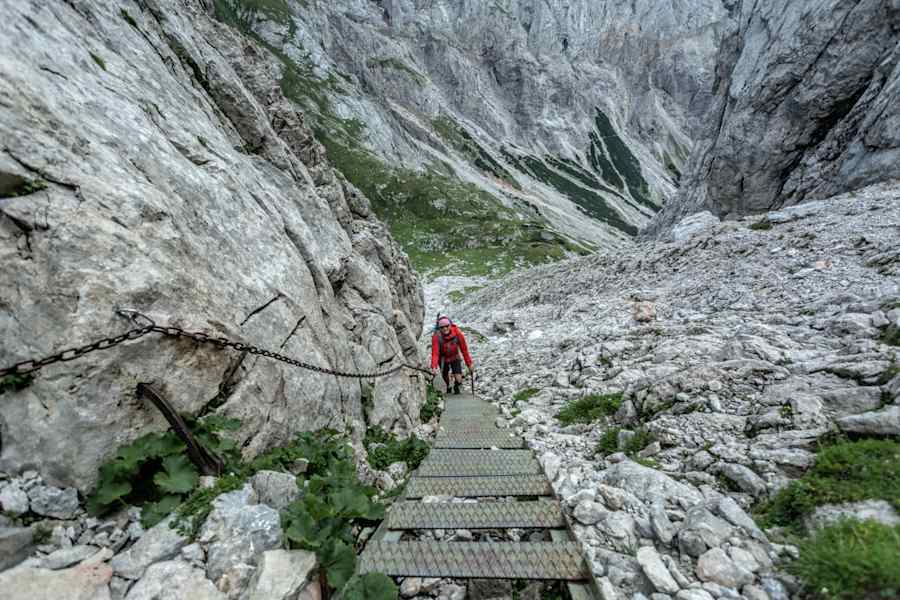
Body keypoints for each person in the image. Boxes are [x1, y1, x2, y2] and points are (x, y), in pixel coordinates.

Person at [430, 316, 474, 394]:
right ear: (439, 328)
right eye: (442, 327)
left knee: (459, 379)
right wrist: (434, 366)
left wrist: (469, 364)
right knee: (445, 374)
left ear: (450, 325)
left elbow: (464, 350)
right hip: (442, 358)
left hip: (454, 356)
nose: (445, 328)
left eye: (447, 326)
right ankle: (448, 386)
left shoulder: (457, 333)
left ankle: (456, 386)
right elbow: (435, 353)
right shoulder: (436, 337)